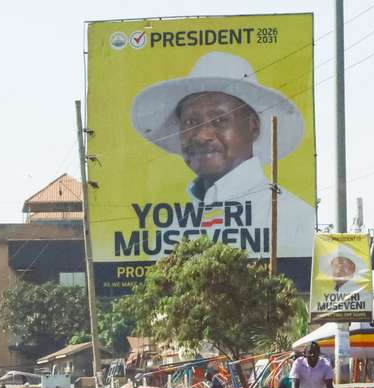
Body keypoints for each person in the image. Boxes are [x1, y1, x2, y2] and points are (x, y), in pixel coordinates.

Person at [131, 51, 315, 258]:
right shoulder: (171, 229)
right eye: (191, 122)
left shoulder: (293, 217)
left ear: (252, 127)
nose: (202, 136)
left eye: (219, 121)